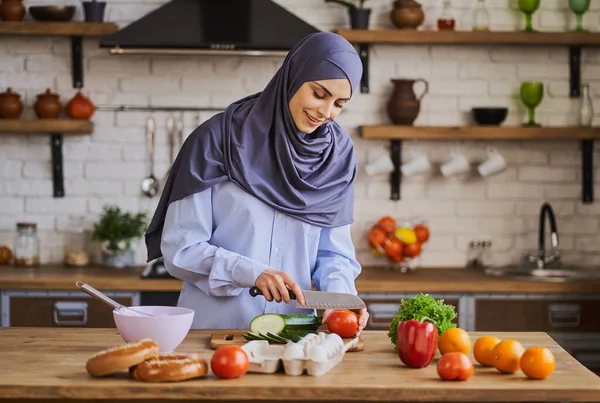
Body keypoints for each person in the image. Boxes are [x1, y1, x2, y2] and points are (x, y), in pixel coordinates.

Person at [145, 31, 369, 332]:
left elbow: (334, 254)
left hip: (297, 338)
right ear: (294, 76)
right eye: (319, 94)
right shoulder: (216, 141)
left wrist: (342, 298)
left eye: (340, 103)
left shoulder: (336, 157)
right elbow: (180, 250)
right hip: (214, 334)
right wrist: (251, 272)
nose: (327, 113)